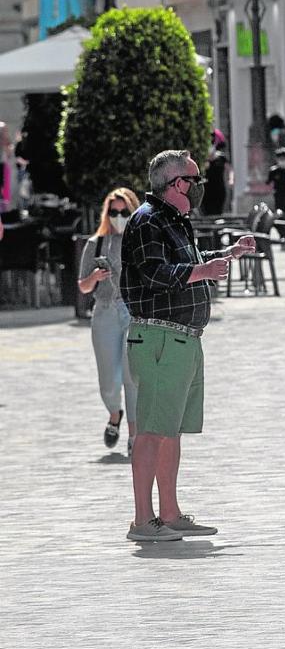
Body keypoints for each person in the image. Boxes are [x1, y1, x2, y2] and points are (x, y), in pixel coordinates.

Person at [120, 150, 256, 542]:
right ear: (176, 184)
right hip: (160, 337)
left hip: (181, 338)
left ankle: (170, 513)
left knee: (171, 430)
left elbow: (191, 262)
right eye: (195, 179)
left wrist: (225, 255)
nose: (199, 187)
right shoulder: (147, 221)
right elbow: (153, 273)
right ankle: (143, 521)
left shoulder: (174, 220)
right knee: (151, 430)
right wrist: (202, 271)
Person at [78, 187, 141, 453]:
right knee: (109, 380)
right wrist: (95, 277)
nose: (118, 216)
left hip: (132, 311)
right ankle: (115, 413)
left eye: (123, 212)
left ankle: (134, 436)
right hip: (104, 312)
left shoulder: (140, 242)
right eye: (113, 212)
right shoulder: (96, 243)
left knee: (132, 377)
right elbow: (82, 286)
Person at [201, 140, 232, 216]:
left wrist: (231, 179)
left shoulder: (221, 158)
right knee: (207, 212)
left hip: (219, 188)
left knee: (218, 211)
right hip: (207, 189)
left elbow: (230, 169)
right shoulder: (204, 158)